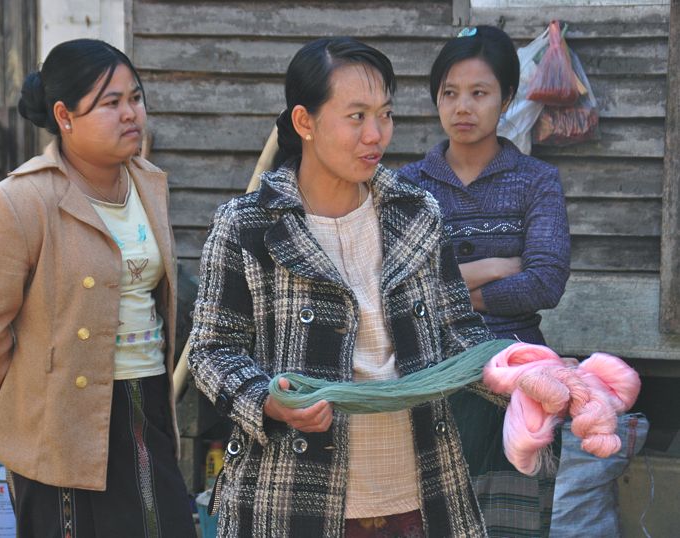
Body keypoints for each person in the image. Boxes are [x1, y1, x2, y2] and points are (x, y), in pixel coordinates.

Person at [188, 37, 496, 537]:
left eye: (385, 115)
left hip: (419, 494)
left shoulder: (416, 213)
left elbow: (457, 330)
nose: (376, 135)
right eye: (356, 117)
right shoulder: (248, 225)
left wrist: (521, 369)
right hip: (293, 499)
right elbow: (210, 350)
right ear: (304, 121)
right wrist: (267, 401)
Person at [0, 39, 195, 537]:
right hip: (62, 418)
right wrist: (20, 399)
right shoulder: (22, 199)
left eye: (135, 98)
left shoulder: (147, 183)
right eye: (111, 103)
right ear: (64, 115)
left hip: (147, 398)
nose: (130, 114)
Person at [398, 26, 570, 537]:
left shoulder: (536, 181)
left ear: (507, 98)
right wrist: (497, 266)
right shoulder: (408, 187)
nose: (462, 107)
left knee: (512, 525)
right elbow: (397, 289)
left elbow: (545, 282)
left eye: (479, 92)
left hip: (518, 383)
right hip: (429, 376)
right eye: (449, 93)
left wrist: (444, 290)